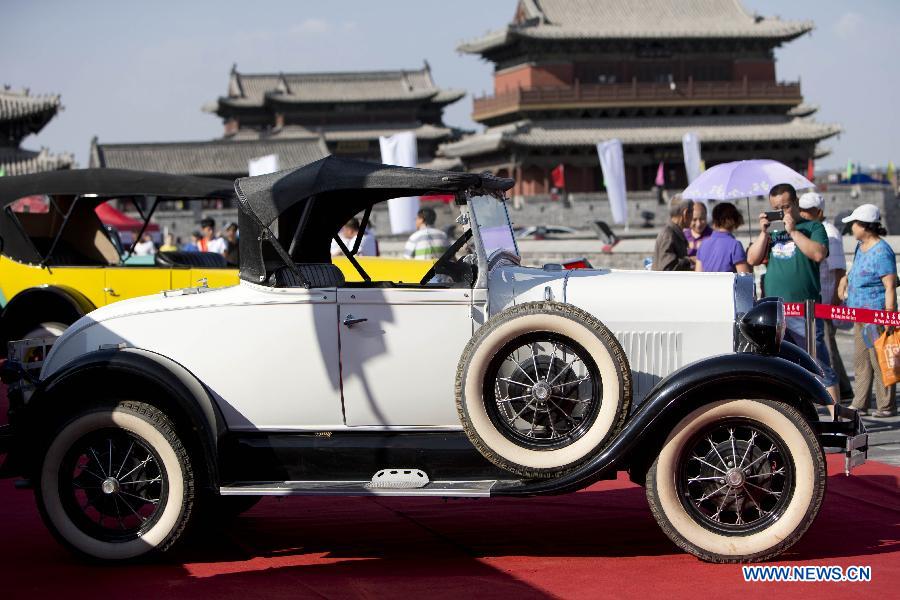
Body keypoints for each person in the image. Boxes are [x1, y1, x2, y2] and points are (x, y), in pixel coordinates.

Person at [747, 183, 839, 401]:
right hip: (774, 311)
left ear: (796, 203)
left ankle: (838, 420)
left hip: (804, 310)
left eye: (786, 207)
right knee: (780, 366)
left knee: (819, 365)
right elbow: (752, 259)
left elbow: (818, 254)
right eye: (776, 208)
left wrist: (793, 231)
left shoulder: (813, 227)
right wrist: (763, 233)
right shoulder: (772, 232)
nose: (782, 212)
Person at [837, 204, 897, 417]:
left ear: (864, 226)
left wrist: (889, 316)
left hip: (875, 316)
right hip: (859, 316)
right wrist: (845, 280)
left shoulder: (882, 251)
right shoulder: (860, 247)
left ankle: (885, 406)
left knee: (879, 359)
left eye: (854, 224)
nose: (851, 228)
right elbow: (855, 271)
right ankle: (860, 402)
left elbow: (890, 286)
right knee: (861, 359)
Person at [798, 191, 852, 399]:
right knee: (826, 350)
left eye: (808, 211)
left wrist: (835, 304)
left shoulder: (829, 233)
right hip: (816, 302)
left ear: (818, 212)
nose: (803, 213)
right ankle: (843, 388)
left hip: (825, 301)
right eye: (801, 209)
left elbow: (839, 271)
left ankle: (839, 391)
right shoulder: (809, 230)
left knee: (826, 352)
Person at [695, 202, 750, 273]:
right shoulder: (735, 245)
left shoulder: (703, 244)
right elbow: (744, 281)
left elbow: (698, 274)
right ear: (733, 220)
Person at [652, 196, 694, 271]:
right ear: (685, 213)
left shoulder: (675, 232)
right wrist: (689, 260)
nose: (693, 217)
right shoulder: (668, 234)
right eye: (692, 212)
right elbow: (668, 267)